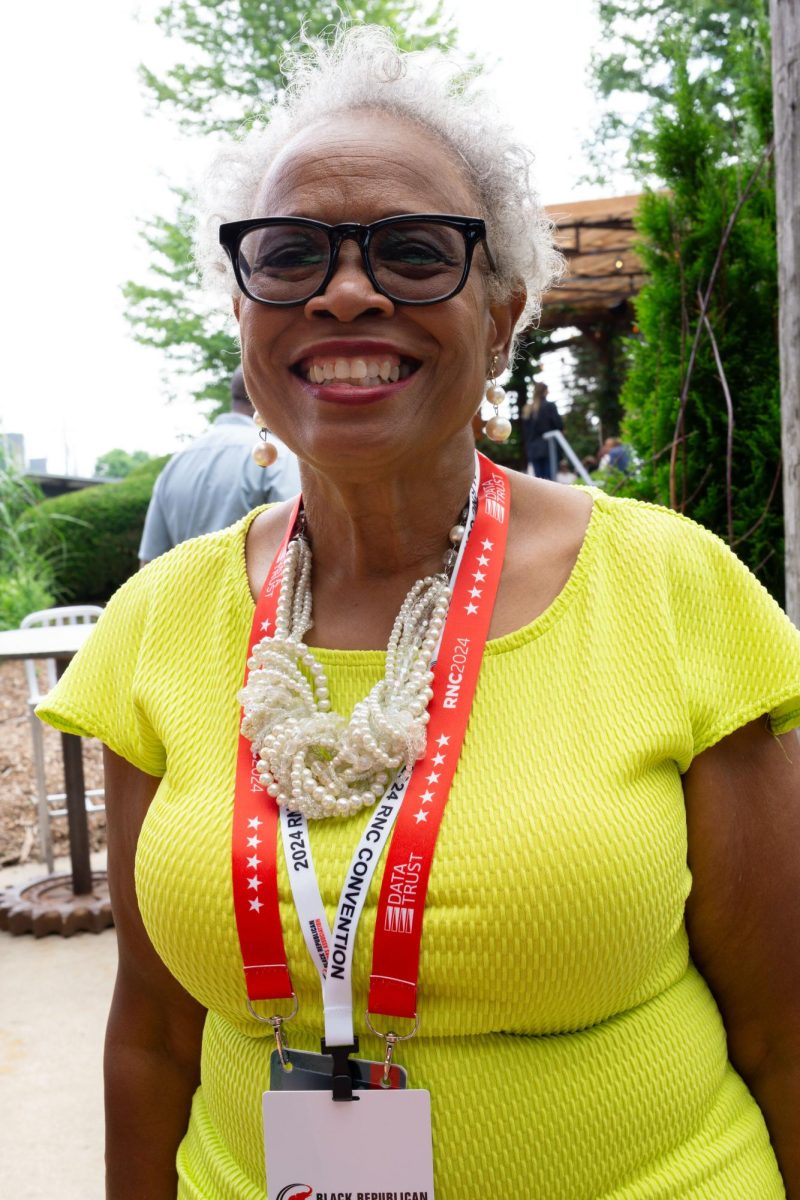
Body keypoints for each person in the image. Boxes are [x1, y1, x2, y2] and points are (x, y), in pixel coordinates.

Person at [37, 26, 800, 1200]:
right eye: (288, 254)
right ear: (243, 317)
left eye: (411, 250)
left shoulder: (666, 590)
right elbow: (150, 1038)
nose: (345, 292)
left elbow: (783, 1025)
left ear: (499, 318)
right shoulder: (160, 624)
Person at [138, 365, 300, 564]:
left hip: (182, 592)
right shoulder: (279, 457)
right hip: (250, 594)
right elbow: (295, 548)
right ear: (269, 396)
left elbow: (149, 562)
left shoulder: (177, 462)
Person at [521, 380, 563, 480]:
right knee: (550, 480)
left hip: (533, 449)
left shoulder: (527, 409)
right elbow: (558, 425)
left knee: (539, 480)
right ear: (545, 391)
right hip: (548, 447)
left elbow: (526, 432)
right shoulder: (549, 406)